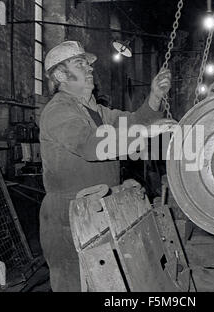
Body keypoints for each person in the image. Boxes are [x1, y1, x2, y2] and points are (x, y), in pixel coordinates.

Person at [39, 41, 175, 291]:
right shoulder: (58, 112)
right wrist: (144, 132)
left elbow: (134, 121)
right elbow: (90, 145)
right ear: (60, 75)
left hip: (100, 209)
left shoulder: (97, 111)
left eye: (89, 63)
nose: (89, 68)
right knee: (75, 283)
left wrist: (155, 95)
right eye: (80, 63)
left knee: (107, 283)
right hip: (69, 216)